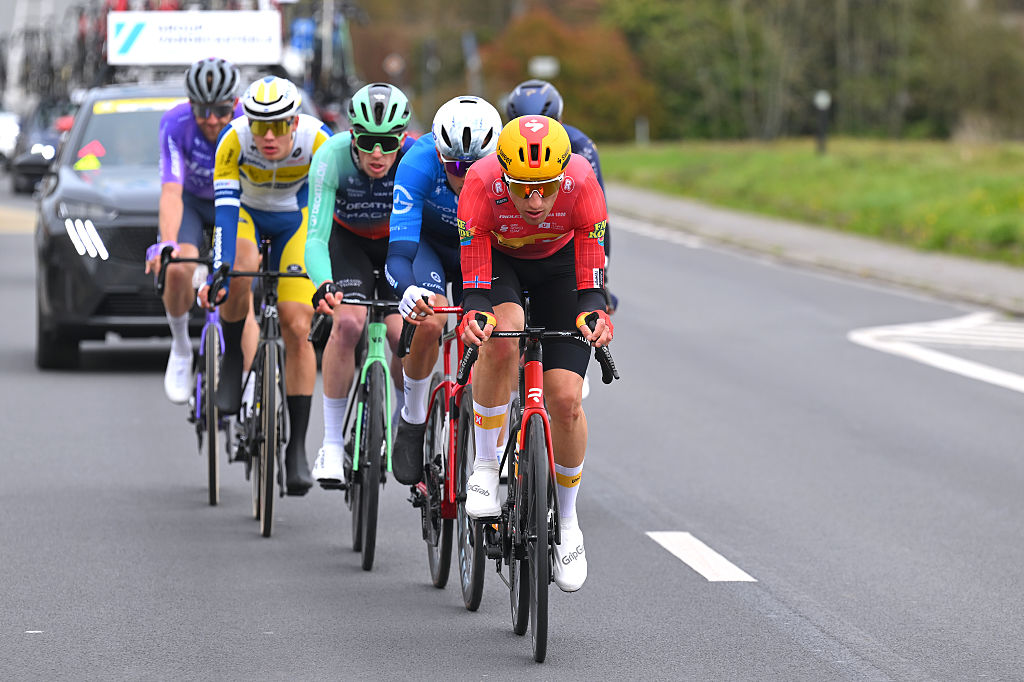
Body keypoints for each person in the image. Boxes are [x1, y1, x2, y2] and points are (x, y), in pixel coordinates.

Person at [457, 116, 613, 592]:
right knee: (503, 333)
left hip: (562, 267)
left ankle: (568, 523)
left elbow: (592, 273)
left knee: (566, 400)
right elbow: (475, 280)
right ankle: (486, 465)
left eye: (545, 188)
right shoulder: (480, 182)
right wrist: (476, 311)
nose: (535, 201)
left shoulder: (583, 180)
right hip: (500, 261)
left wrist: (594, 309)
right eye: (523, 189)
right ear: (503, 173)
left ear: (562, 175)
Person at [198, 75, 332, 496]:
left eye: (278, 126)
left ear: (296, 121)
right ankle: (235, 361)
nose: (269, 136)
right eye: (260, 125)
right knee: (238, 266)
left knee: (296, 324)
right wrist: (219, 267)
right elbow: (224, 210)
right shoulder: (233, 140)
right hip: (248, 216)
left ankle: (295, 448)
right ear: (247, 120)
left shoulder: (318, 140)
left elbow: (322, 214)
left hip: (298, 221)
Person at [384, 96, 503, 486]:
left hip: (483, 249)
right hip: (431, 248)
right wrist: (407, 290)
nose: (465, 177)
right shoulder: (417, 163)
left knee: (499, 329)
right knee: (430, 319)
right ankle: (413, 417)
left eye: (476, 168)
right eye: (454, 166)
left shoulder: (508, 171)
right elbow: (399, 252)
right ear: (438, 151)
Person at [305, 82, 415, 486]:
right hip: (347, 242)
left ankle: (408, 419)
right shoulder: (331, 157)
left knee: (402, 333)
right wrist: (324, 283)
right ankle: (332, 444)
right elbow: (315, 237)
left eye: (388, 144)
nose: (377, 154)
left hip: (395, 247)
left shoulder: (415, 158)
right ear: (353, 134)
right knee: (348, 324)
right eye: (367, 142)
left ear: (402, 138)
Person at [145, 57, 242, 404]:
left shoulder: (248, 121)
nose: (212, 120)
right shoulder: (176, 122)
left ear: (234, 103)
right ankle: (182, 348)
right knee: (177, 269)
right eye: (203, 110)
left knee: (241, 276)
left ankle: (243, 368)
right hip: (192, 201)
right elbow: (171, 191)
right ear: (191, 104)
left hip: (233, 201)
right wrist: (168, 244)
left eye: (220, 110)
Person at [505, 79, 617, 313]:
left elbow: (597, 216)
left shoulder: (581, 146)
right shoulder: (504, 145)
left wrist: (600, 279)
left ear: (561, 122)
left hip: (563, 237)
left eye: (548, 125)